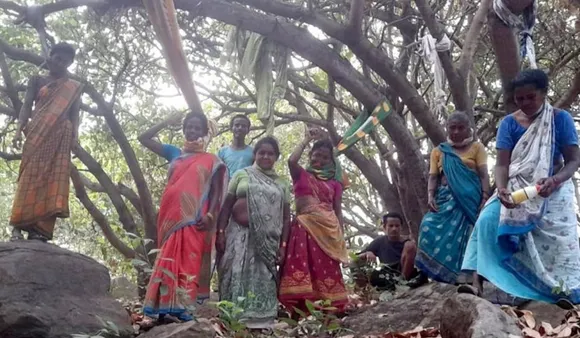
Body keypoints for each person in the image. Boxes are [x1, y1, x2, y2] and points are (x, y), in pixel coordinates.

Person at [460, 69, 580, 309]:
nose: (525, 103)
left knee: (562, 237)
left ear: (544, 94)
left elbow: (574, 160)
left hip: (553, 186)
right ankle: (475, 282)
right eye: (520, 98)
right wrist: (502, 189)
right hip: (516, 186)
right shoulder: (509, 123)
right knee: (486, 219)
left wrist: (555, 181)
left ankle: (563, 289)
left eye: (530, 97)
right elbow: (502, 163)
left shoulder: (560, 119)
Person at [139, 112, 227, 321]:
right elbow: (143, 138)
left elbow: (216, 191)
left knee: (189, 260)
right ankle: (162, 308)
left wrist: (211, 214)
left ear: (204, 133)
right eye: (189, 127)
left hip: (195, 218)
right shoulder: (175, 153)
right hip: (170, 217)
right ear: (184, 129)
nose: (192, 131)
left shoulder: (211, 160)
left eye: (197, 128)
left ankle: (184, 307)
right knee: (168, 257)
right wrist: (164, 121)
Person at [10, 42, 83, 242]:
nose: (60, 64)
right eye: (57, 59)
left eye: (65, 62)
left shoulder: (73, 87)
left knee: (53, 180)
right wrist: (18, 131)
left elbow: (74, 114)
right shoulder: (37, 79)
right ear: (50, 56)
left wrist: (75, 138)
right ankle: (17, 227)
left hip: (61, 136)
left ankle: (39, 231)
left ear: (69, 65)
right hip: (37, 133)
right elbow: (26, 107)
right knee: (29, 177)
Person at [216, 136, 291, 329]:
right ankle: (233, 318)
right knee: (236, 272)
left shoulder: (282, 183)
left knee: (263, 276)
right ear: (255, 155)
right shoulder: (242, 174)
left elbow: (285, 218)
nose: (265, 156)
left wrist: (283, 246)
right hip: (238, 235)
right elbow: (226, 206)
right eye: (261, 152)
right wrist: (221, 232)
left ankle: (263, 321)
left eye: (270, 153)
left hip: (268, 240)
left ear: (276, 157)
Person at [278, 130, 349, 316]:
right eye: (316, 155)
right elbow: (291, 161)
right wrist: (306, 139)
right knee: (302, 267)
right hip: (304, 228)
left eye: (325, 157)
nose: (320, 159)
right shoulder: (300, 174)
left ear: (332, 161)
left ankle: (329, 311)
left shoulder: (335, 183)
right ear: (310, 156)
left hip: (328, 231)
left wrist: (341, 237)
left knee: (325, 267)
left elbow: (337, 209)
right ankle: (301, 312)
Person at [415, 111, 490, 284]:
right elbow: (433, 176)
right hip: (444, 199)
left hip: (470, 201)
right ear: (447, 128)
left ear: (468, 129)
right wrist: (430, 196)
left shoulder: (477, 148)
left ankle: (468, 278)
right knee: (427, 225)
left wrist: (485, 198)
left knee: (468, 235)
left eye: (460, 128)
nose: (456, 131)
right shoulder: (439, 151)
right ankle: (423, 273)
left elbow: (484, 175)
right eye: (452, 128)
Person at [354, 213, 427, 290]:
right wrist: (367, 253)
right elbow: (356, 257)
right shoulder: (379, 241)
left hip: (406, 276)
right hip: (387, 275)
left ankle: (402, 284)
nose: (394, 229)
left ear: (401, 227)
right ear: (384, 227)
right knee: (354, 262)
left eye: (397, 226)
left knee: (410, 246)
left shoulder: (408, 241)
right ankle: (366, 292)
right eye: (391, 226)